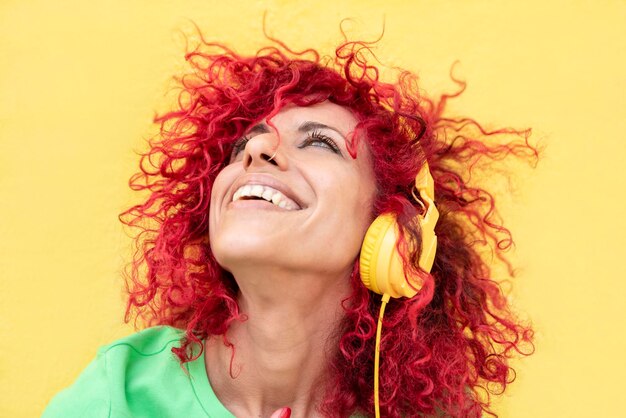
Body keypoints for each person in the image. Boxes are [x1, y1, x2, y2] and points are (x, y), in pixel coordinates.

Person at [42, 31, 536, 418]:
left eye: (318, 142)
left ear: (392, 235)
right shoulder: (119, 394)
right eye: (243, 147)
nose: (256, 150)